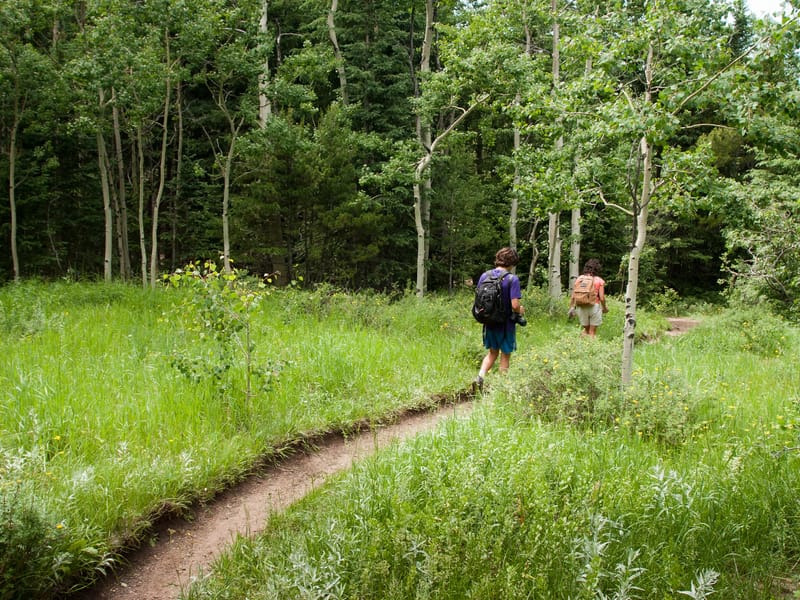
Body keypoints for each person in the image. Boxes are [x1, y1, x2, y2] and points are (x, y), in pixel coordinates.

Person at [474, 247, 525, 392]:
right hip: (506, 323)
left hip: (489, 320)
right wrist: (520, 310)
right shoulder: (511, 279)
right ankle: (502, 387)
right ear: (512, 262)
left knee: (492, 352)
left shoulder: (485, 275)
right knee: (505, 354)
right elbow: (515, 304)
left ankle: (480, 378)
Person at [568, 258, 608, 337]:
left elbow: (573, 296)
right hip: (594, 306)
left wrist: (571, 307)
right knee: (592, 332)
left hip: (581, 306)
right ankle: (591, 348)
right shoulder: (599, 280)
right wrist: (604, 308)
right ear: (597, 269)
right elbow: (602, 297)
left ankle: (580, 347)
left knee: (586, 330)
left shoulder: (579, 279)